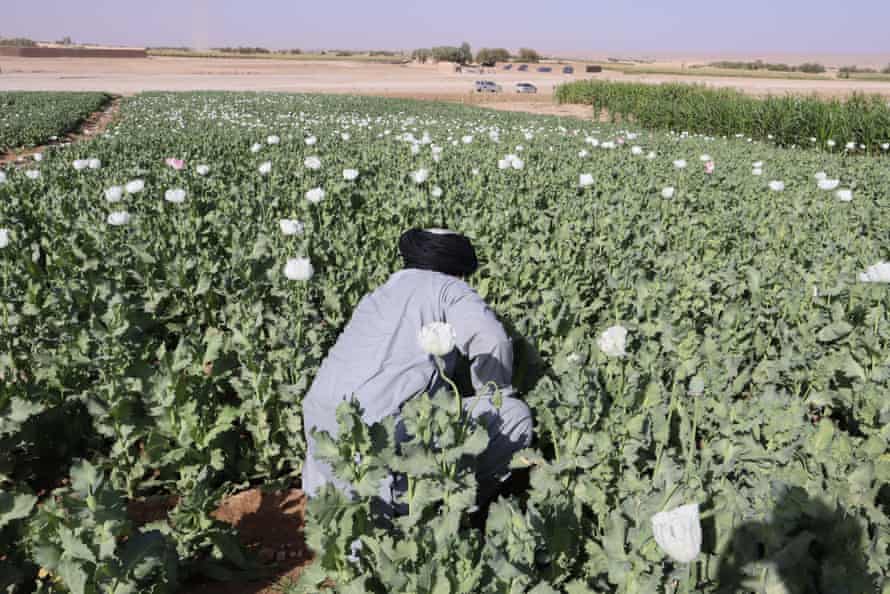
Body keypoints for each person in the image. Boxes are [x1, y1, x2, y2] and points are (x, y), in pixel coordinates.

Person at [302, 227, 533, 511]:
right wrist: (494, 392)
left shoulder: (379, 294)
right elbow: (492, 340)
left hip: (321, 435)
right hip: (380, 440)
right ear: (457, 271)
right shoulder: (450, 288)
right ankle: (450, 509)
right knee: (514, 416)